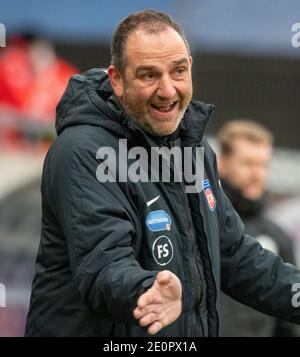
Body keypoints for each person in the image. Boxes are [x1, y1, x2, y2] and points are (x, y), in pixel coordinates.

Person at [25, 10, 300, 337]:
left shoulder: (194, 150)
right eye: (148, 75)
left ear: (190, 68)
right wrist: (147, 291)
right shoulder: (83, 151)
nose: (168, 90)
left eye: (178, 71)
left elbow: (234, 255)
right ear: (117, 79)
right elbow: (105, 266)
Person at [217, 120, 300, 337]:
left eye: (263, 165)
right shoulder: (205, 224)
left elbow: (288, 324)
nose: (257, 173)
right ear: (223, 163)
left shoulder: (277, 235)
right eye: (248, 163)